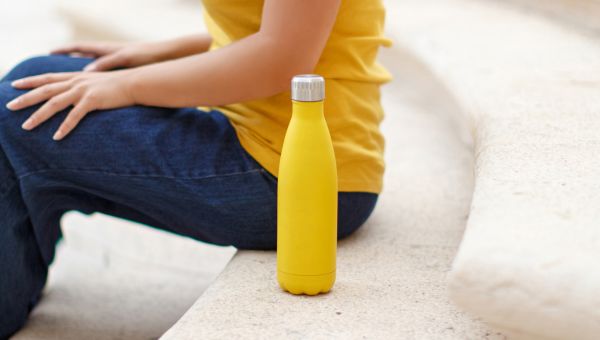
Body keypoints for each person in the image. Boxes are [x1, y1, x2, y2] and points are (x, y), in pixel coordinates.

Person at [0, 0, 391, 336]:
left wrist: (129, 85)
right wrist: (161, 53)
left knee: (15, 113)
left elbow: (282, 57)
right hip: (274, 146)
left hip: (297, 176)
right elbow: (277, 24)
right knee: (36, 79)